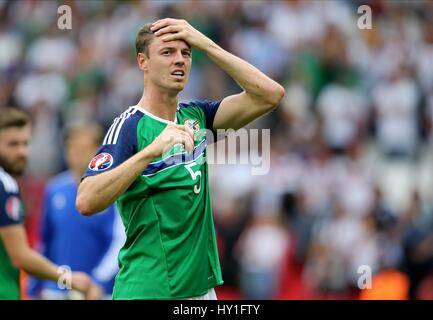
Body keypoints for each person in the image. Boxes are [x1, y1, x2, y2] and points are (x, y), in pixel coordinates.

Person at [76, 18, 285, 300]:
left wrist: (206, 45)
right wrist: (150, 152)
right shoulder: (130, 126)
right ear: (143, 62)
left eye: (186, 53)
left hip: (201, 290)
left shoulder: (196, 117)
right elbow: (86, 200)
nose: (180, 61)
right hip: (151, 290)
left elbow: (269, 94)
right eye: (167, 52)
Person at [0, 107, 102, 300]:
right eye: (13, 144)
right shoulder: (5, 184)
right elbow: (20, 255)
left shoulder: (111, 190)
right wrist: (68, 279)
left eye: (25, 143)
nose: (22, 152)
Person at [27, 122, 125, 299]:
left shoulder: (114, 190)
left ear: (99, 152)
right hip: (56, 288)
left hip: (97, 291)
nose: (75, 153)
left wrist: (99, 281)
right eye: (71, 147)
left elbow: (119, 242)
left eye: (83, 148)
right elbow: (45, 240)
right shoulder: (54, 189)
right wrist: (34, 286)